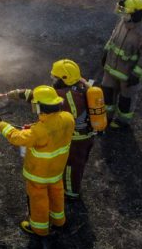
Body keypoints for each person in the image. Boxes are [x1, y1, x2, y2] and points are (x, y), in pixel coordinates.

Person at [7, 59, 96, 200]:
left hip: (77, 138)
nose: (53, 80)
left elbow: (45, 101)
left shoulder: (66, 96)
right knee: (76, 164)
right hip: (86, 135)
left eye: (55, 77)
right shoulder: (81, 85)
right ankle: (68, 187)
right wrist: (20, 93)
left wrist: (22, 95)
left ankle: (71, 193)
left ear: (64, 79)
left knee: (72, 166)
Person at [0, 85, 75, 236]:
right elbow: (51, 130)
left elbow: (16, 138)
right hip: (56, 171)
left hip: (39, 174)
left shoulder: (38, 131)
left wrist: (1, 125)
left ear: (39, 107)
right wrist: (33, 127)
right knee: (56, 193)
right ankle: (59, 220)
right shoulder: (67, 118)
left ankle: (39, 228)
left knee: (38, 199)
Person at [101, 0, 142, 128]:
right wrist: (106, 51)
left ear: (136, 14)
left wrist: (136, 75)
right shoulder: (124, 22)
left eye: (125, 13)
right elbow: (114, 37)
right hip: (111, 68)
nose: (122, 15)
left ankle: (122, 122)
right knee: (107, 93)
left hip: (127, 75)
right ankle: (106, 117)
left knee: (126, 99)